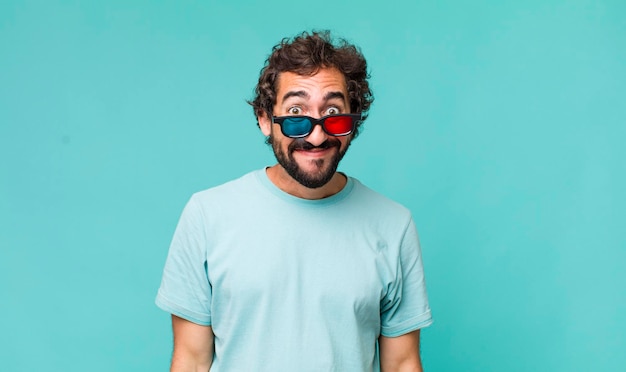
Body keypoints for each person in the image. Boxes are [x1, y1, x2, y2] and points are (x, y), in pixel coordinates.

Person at [156, 30, 433, 371]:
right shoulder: (207, 215)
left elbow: (403, 363)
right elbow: (192, 362)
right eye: (296, 113)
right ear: (264, 119)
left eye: (333, 111)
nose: (317, 135)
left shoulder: (393, 225)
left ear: (353, 121)